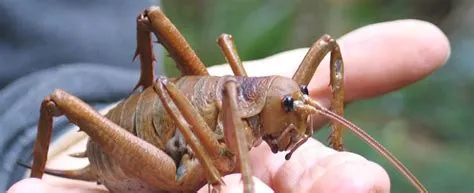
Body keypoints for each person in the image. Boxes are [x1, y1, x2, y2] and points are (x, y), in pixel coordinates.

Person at [7, 19, 450, 193]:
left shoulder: (271, 101)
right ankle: (40, 171)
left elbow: (328, 51)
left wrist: (329, 141)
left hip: (129, 101)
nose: (296, 125)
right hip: (147, 149)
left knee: (328, 45)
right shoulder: (228, 109)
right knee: (59, 103)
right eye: (293, 108)